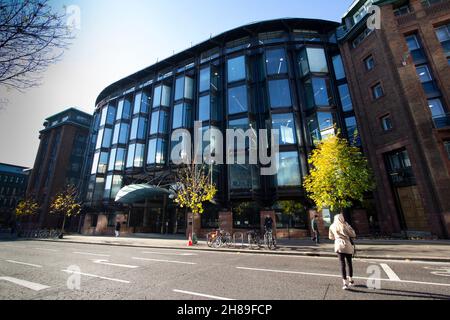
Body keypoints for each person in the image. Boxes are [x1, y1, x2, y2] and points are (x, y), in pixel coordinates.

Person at [329, 214, 357, 290]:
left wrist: (337, 237)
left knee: (342, 264)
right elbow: (353, 234)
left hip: (338, 245)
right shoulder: (345, 225)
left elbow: (330, 237)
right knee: (349, 263)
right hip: (347, 245)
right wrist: (349, 227)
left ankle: (345, 283)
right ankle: (351, 280)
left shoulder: (332, 226)